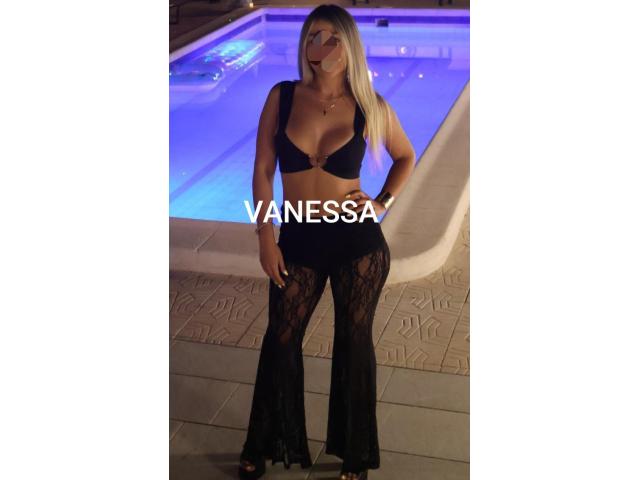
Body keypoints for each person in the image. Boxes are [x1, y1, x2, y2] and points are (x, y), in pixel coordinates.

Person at [238, 4, 416, 480]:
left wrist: (382, 202)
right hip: (298, 235)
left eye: (333, 38)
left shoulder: (369, 105)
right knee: (281, 337)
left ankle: (355, 456)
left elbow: (405, 156)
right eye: (314, 37)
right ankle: (261, 443)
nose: (322, 47)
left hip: (357, 242)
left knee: (354, 343)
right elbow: (262, 170)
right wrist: (266, 235)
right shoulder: (283, 96)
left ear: (349, 45)